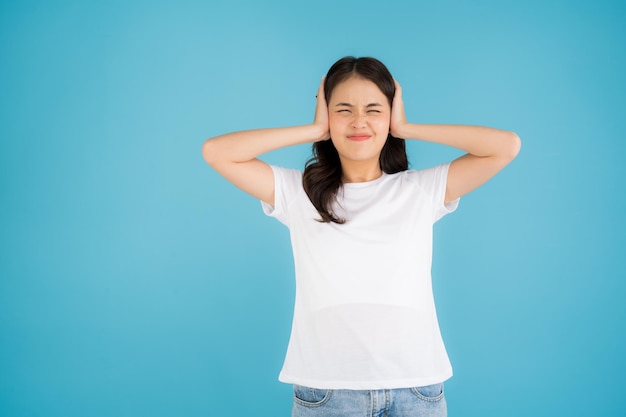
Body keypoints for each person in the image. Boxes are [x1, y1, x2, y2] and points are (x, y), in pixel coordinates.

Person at [202, 56, 521, 417]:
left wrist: (408, 127)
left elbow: (505, 146)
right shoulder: (298, 193)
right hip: (326, 392)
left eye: (373, 110)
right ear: (326, 114)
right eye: (343, 110)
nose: (358, 122)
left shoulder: (420, 189)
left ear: (390, 116)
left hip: (416, 389)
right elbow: (216, 152)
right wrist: (313, 130)